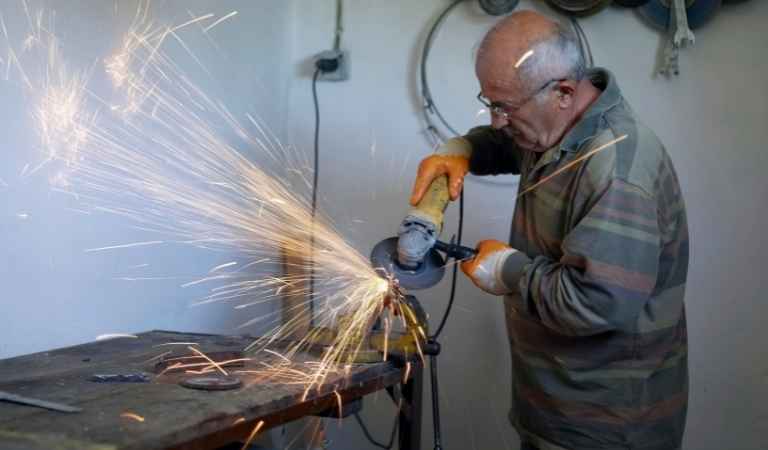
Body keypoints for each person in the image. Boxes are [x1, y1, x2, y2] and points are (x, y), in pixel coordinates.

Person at [408, 10, 689, 450]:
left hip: (605, 425)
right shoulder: (558, 128)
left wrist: (509, 271)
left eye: (504, 107)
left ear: (562, 92)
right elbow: (506, 143)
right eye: (490, 103)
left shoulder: (616, 169)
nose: (497, 119)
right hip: (552, 407)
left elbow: (596, 302)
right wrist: (463, 150)